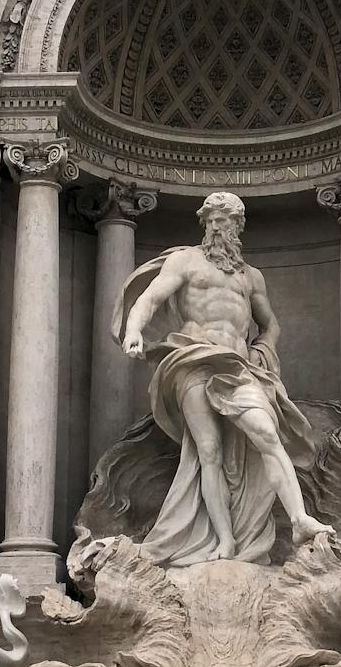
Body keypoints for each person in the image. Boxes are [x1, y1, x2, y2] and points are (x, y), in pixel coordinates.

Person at [116, 192, 327, 566]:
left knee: (266, 432)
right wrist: (134, 330)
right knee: (209, 451)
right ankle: (225, 540)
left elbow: (270, 324)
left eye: (223, 220)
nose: (215, 226)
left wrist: (263, 349)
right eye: (210, 220)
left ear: (237, 226)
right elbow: (149, 299)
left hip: (238, 366)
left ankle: (299, 519)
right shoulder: (185, 261)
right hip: (193, 359)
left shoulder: (251, 277)